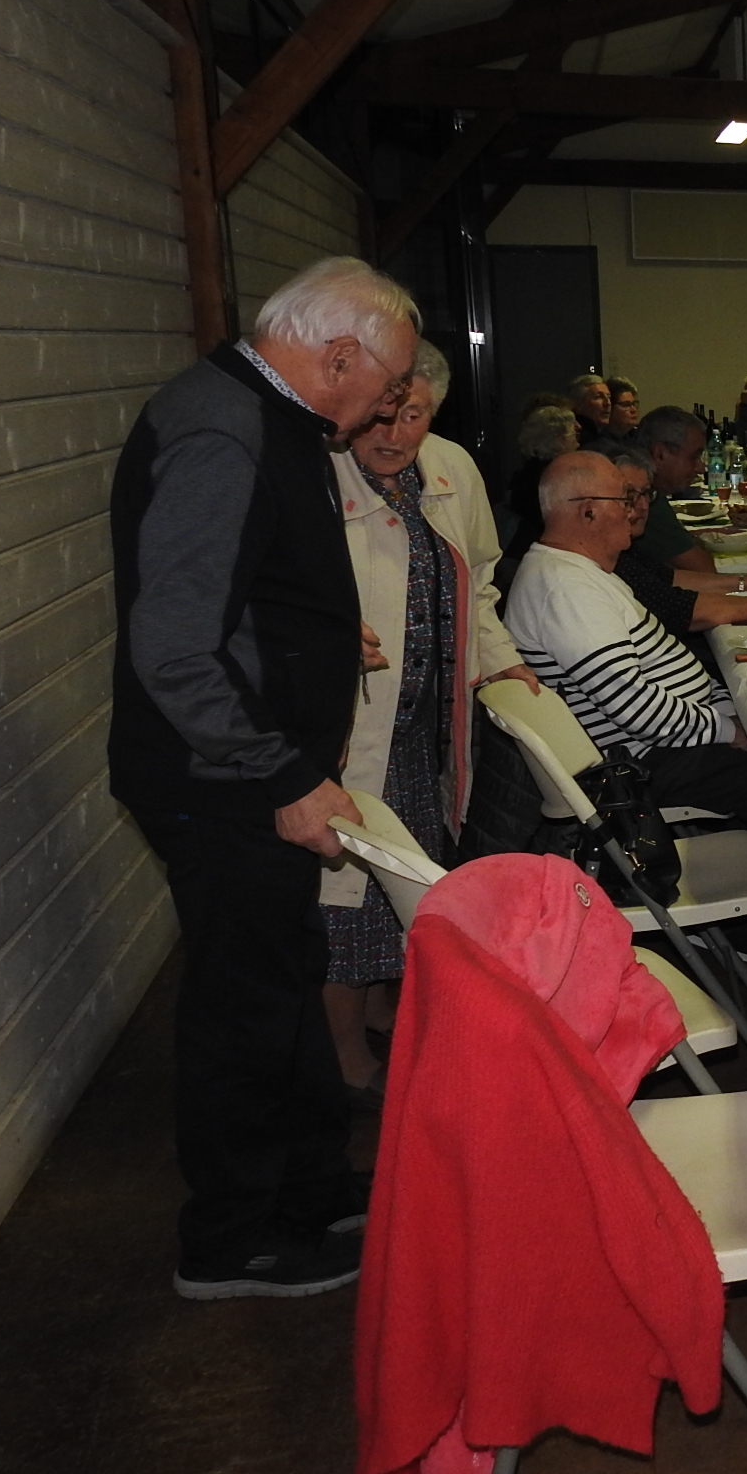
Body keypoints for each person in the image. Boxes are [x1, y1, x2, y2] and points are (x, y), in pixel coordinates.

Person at [110, 255, 419, 1299]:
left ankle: (307, 1187)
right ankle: (234, 1238)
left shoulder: (272, 417)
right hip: (222, 776)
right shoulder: (224, 428)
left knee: (285, 984)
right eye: (385, 386)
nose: (387, 408)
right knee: (243, 1009)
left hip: (248, 763)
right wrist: (281, 774)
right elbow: (174, 645)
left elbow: (248, 592)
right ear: (338, 356)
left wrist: (321, 640)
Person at [321, 344, 537, 1105]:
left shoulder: (450, 468)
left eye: (412, 414)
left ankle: (388, 1011)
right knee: (345, 899)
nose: (394, 432)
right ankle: (346, 1059)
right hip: (355, 728)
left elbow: (479, 586)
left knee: (408, 882)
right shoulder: (320, 470)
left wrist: (502, 662)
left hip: (425, 727)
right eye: (381, 415)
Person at [503, 452, 747, 878]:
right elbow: (634, 706)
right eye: (623, 500)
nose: (633, 510)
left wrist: (728, 709)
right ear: (588, 511)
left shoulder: (579, 572)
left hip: (658, 744)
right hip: (641, 762)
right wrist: (730, 729)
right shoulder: (565, 588)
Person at [608, 449, 747, 670]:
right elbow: (685, 610)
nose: (642, 506)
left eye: (646, 494)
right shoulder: (609, 562)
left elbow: (670, 578)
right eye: (629, 496)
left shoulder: (624, 551)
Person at [631, 405, 720, 575]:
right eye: (694, 457)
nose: (701, 468)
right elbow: (704, 570)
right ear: (660, 454)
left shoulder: (652, 492)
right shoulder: (645, 500)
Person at [505, 404, 578, 549]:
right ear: (561, 440)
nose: (578, 443)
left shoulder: (524, 474)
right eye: (575, 435)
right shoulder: (555, 479)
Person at [567, 372, 613, 447]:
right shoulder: (574, 441)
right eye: (598, 397)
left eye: (609, 397)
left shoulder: (605, 437)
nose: (608, 403)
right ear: (579, 404)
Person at [605, 376, 643, 446]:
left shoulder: (637, 438)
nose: (634, 410)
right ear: (610, 407)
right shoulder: (601, 446)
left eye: (634, 404)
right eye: (626, 405)